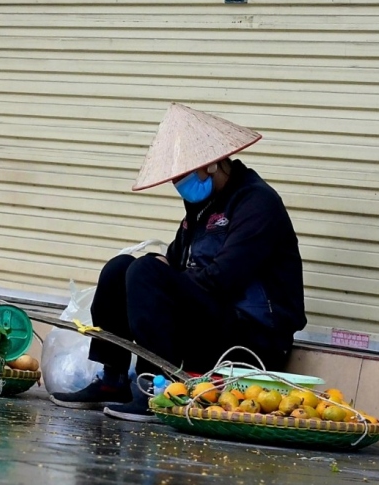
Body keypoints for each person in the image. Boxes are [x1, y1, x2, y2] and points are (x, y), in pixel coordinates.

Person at [50, 103, 307, 422]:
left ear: (212, 164)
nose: (180, 184)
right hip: (210, 324)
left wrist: (163, 273)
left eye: (184, 174)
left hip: (252, 340)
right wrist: (164, 270)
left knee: (144, 270)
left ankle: (158, 389)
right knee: (122, 268)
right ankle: (113, 379)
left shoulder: (257, 203)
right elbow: (177, 268)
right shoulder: (200, 209)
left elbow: (222, 279)